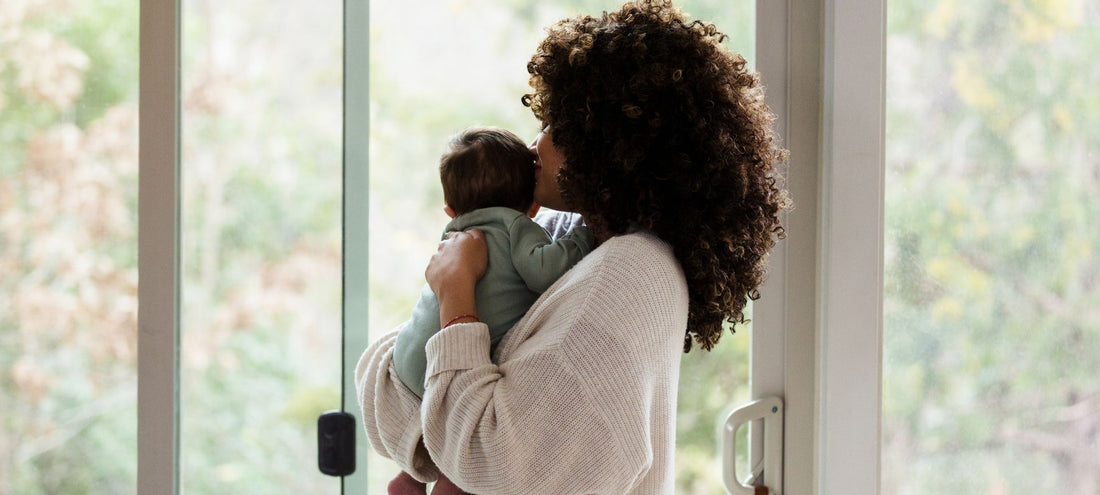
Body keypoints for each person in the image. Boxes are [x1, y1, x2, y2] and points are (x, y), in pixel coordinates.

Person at [357, 1, 790, 493]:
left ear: (613, 148)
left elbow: (487, 459)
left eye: (557, 128)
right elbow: (381, 390)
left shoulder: (626, 276)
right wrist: (436, 411)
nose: (534, 144)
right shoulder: (573, 235)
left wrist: (455, 295)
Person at [386, 126, 594, 494]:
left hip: (408, 358)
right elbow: (544, 271)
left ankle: (410, 477)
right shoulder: (516, 226)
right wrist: (584, 234)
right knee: (462, 439)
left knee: (436, 424)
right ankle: (445, 486)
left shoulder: (453, 232)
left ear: (450, 209)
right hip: (455, 362)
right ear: (532, 207)